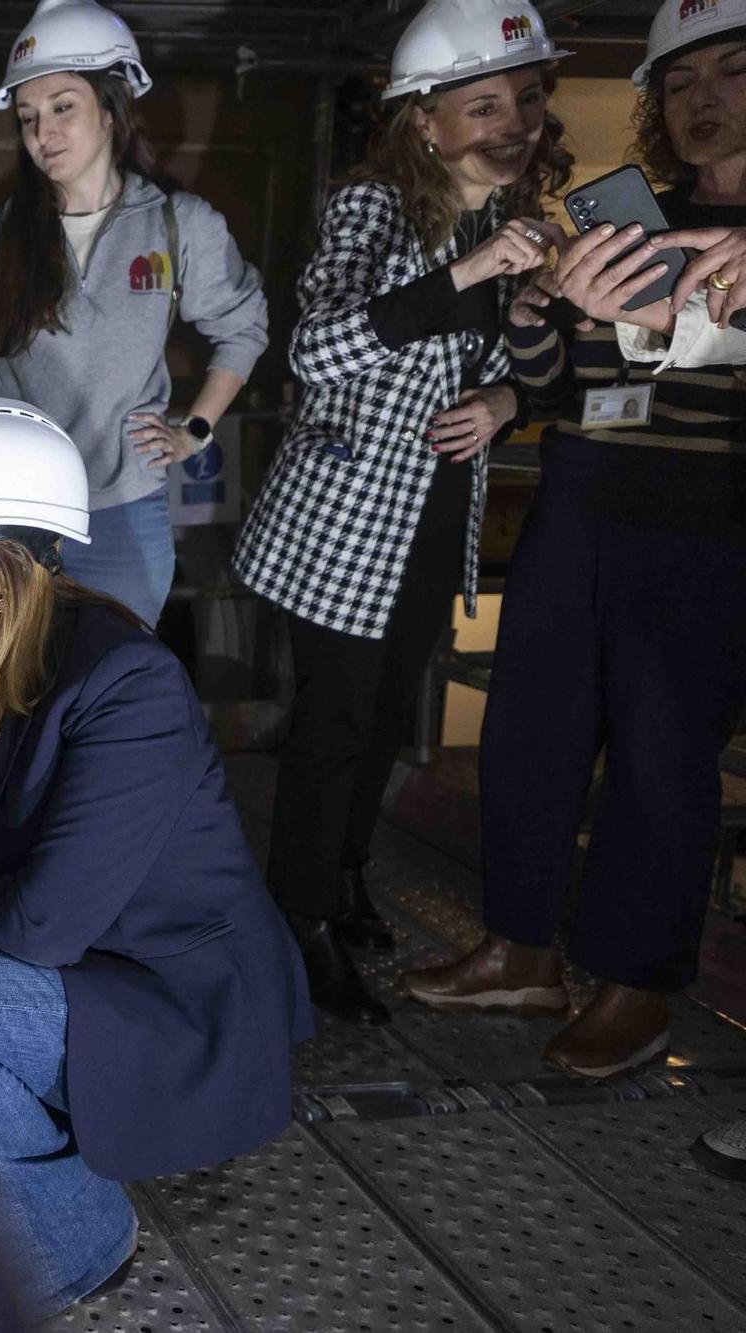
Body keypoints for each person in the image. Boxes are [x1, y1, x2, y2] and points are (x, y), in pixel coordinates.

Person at [0, 396, 311, 1321]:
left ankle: (74, 1243)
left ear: (9, 562)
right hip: (75, 977)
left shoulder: (128, 685)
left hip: (173, 1006)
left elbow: (42, 922)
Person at [404, 0, 746, 1079]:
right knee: (529, 726)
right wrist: (540, 307)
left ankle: (632, 984)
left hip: (706, 517)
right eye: (679, 84)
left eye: (729, 76)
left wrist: (658, 327)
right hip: (582, 493)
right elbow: (557, 390)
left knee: (660, 755)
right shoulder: (628, 213)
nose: (701, 102)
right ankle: (517, 948)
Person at [232, 0, 572, 1025]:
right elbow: (317, 351)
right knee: (330, 726)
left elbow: (538, 378)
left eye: (521, 100)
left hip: (435, 513)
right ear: (424, 122)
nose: (508, 124)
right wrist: (466, 273)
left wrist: (506, 394)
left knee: (384, 720)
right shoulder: (374, 207)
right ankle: (294, 926)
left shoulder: (513, 221)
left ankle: (338, 879)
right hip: (341, 522)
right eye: (481, 106)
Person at [0, 0, 269, 628]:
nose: (42, 134)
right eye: (28, 117)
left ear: (111, 109)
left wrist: (193, 431)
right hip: (14, 508)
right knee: (17, 695)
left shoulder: (179, 223)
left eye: (63, 108)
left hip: (125, 512)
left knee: (111, 690)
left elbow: (243, 326)